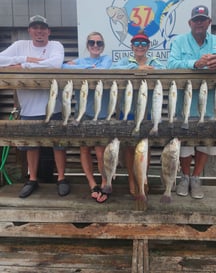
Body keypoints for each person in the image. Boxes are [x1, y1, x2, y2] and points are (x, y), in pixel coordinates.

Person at [167, 5, 216, 199]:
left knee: (205, 144)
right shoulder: (179, 42)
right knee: (184, 146)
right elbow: (171, 64)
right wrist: (194, 63)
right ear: (190, 23)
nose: (199, 23)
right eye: (196, 20)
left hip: (210, 106)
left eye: (203, 19)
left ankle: (196, 178)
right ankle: (184, 177)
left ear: (209, 22)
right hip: (184, 106)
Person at [0, 15, 70, 198]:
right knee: (31, 146)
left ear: (49, 31)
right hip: (28, 107)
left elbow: (55, 64)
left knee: (59, 145)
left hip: (53, 106)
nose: (39, 31)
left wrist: (21, 65)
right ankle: (32, 179)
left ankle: (62, 178)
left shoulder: (56, 45)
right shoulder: (19, 46)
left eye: (43, 28)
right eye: (35, 27)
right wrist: (27, 58)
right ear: (30, 30)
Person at [111, 30, 165, 197]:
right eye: (137, 43)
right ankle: (131, 180)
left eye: (143, 43)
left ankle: (143, 178)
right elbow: (114, 69)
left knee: (144, 148)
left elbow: (164, 69)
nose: (140, 46)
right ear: (131, 46)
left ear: (148, 46)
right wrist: (137, 68)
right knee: (128, 148)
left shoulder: (155, 61)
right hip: (127, 112)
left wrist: (150, 69)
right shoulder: (123, 61)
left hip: (148, 112)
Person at [63, 31, 112, 203]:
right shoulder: (81, 62)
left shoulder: (106, 59)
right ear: (87, 45)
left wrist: (79, 67)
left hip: (102, 114)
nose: (95, 46)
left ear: (103, 46)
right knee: (84, 149)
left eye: (99, 43)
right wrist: (84, 67)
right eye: (92, 42)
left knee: (100, 153)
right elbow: (64, 67)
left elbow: (104, 69)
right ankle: (92, 184)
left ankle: (105, 182)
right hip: (82, 114)